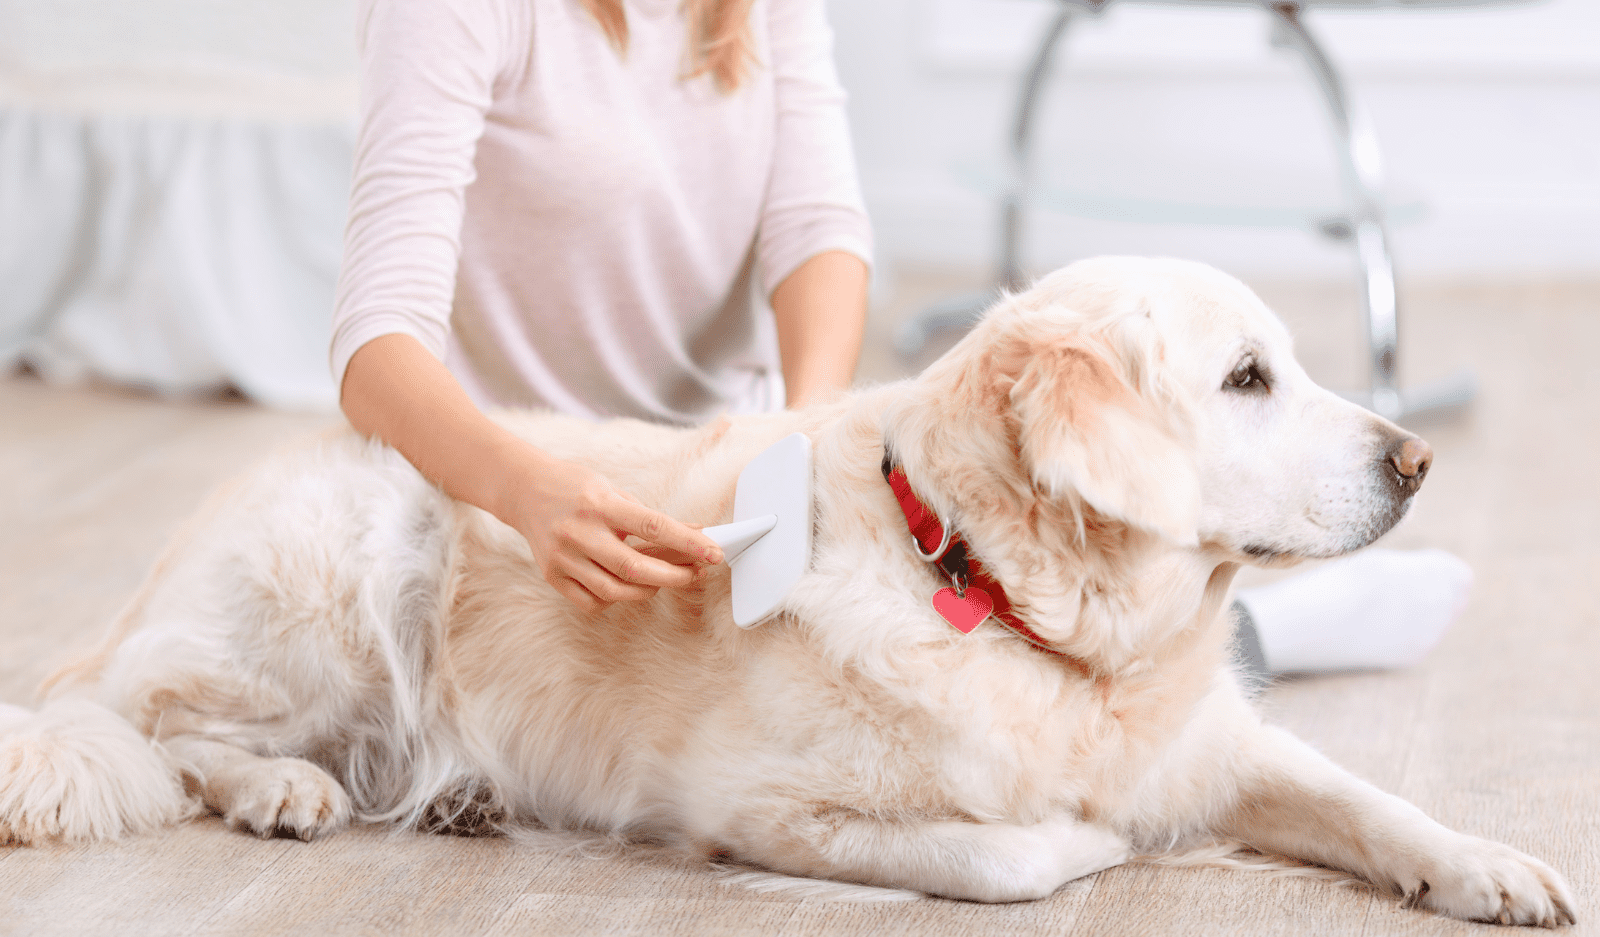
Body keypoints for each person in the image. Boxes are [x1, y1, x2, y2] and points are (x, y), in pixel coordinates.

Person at [333, 0, 1470, 673]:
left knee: (990, 573)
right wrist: (533, 494)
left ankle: (1240, 624)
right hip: (530, 500)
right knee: (911, 678)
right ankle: (1264, 643)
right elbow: (376, 346)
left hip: (729, 464)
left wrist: (795, 430)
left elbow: (816, 226)